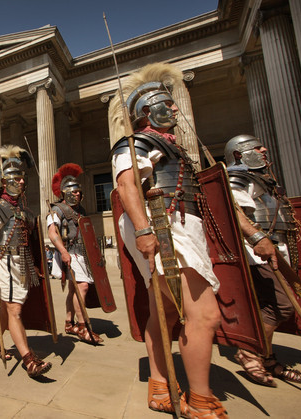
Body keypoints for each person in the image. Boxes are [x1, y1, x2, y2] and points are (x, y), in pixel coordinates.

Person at [109, 63, 226, 417]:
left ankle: (159, 384)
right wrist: (144, 230)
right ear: (146, 111)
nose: (175, 108)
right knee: (205, 316)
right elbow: (127, 185)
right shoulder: (137, 142)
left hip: (181, 227)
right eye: (166, 102)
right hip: (163, 230)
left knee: (172, 311)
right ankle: (201, 399)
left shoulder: (172, 147)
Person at [225, 134, 301, 385]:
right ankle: (249, 353)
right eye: (257, 147)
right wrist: (258, 240)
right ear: (239, 154)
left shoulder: (261, 180)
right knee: (280, 306)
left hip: (276, 250)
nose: (264, 149)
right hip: (257, 253)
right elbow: (236, 214)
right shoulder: (238, 178)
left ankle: (267, 358)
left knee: (270, 306)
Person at [0, 144, 52, 378]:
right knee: (14, 309)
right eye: (16, 179)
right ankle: (29, 359)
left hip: (23, 264)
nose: (22, 182)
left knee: (5, 307)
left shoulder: (24, 211)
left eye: (23, 179)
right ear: (4, 181)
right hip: (5, 263)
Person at [47, 163, 103, 344]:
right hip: (70, 252)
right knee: (83, 287)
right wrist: (63, 251)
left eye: (79, 191)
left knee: (73, 289)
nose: (78, 193)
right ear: (65, 192)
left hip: (82, 253)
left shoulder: (81, 210)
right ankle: (82, 326)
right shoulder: (57, 209)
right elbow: (52, 232)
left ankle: (68, 323)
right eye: (74, 191)